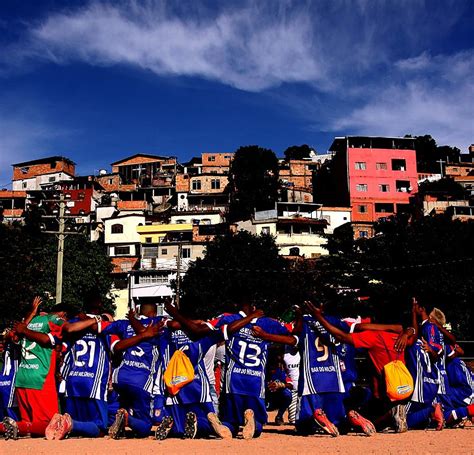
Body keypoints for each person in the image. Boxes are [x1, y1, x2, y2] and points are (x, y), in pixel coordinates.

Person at [310, 301, 413, 433]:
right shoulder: (401, 337)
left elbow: (341, 336)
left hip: (385, 389)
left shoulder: (373, 336)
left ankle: (389, 415)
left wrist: (318, 317)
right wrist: (407, 330)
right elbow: (413, 332)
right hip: (404, 386)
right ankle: (393, 415)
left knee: (359, 416)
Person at [212, 294, 296, 439]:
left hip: (234, 380)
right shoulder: (269, 323)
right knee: (258, 423)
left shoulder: (229, 319)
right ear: (255, 307)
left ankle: (226, 428)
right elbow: (293, 334)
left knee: (230, 419)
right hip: (255, 381)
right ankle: (252, 424)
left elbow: (210, 327)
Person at [44, 297, 116, 440]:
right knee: (100, 428)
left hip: (73, 379)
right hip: (94, 381)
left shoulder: (73, 322)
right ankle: (71, 424)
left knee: (77, 423)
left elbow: (61, 350)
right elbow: (116, 348)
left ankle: (65, 422)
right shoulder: (107, 323)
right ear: (100, 305)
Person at [1, 302, 70, 440]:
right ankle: (11, 426)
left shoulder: (21, 326)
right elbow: (48, 339)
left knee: (29, 425)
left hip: (22, 378)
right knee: (51, 425)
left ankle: (10, 427)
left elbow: (12, 337)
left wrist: (28, 321)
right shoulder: (49, 322)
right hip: (40, 378)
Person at [102, 303, 163, 439]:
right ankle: (128, 420)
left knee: (113, 412)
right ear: (153, 314)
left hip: (120, 376)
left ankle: (116, 420)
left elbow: (101, 329)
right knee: (146, 427)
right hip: (141, 380)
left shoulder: (124, 324)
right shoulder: (158, 324)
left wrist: (131, 319)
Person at [265, 350, 293, 425]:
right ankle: (262, 417)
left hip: (277, 397)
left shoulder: (281, 372)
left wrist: (280, 385)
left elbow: (290, 385)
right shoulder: (263, 372)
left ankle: (279, 416)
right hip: (265, 397)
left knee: (287, 394)